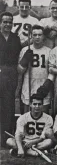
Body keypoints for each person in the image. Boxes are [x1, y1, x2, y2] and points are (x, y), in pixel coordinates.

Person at [17, 25, 53, 114]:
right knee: (27, 114)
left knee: (43, 114)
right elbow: (20, 71)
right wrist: (24, 61)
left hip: (43, 85)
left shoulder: (49, 51)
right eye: (35, 35)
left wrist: (47, 85)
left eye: (39, 35)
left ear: (43, 36)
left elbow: (52, 71)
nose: (37, 37)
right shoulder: (25, 50)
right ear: (31, 36)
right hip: (28, 84)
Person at [0, 12, 22, 147]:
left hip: (11, 73)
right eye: (5, 22)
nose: (7, 24)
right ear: (0, 22)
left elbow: (18, 55)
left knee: (8, 104)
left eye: (10, 22)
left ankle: (6, 136)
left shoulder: (15, 38)